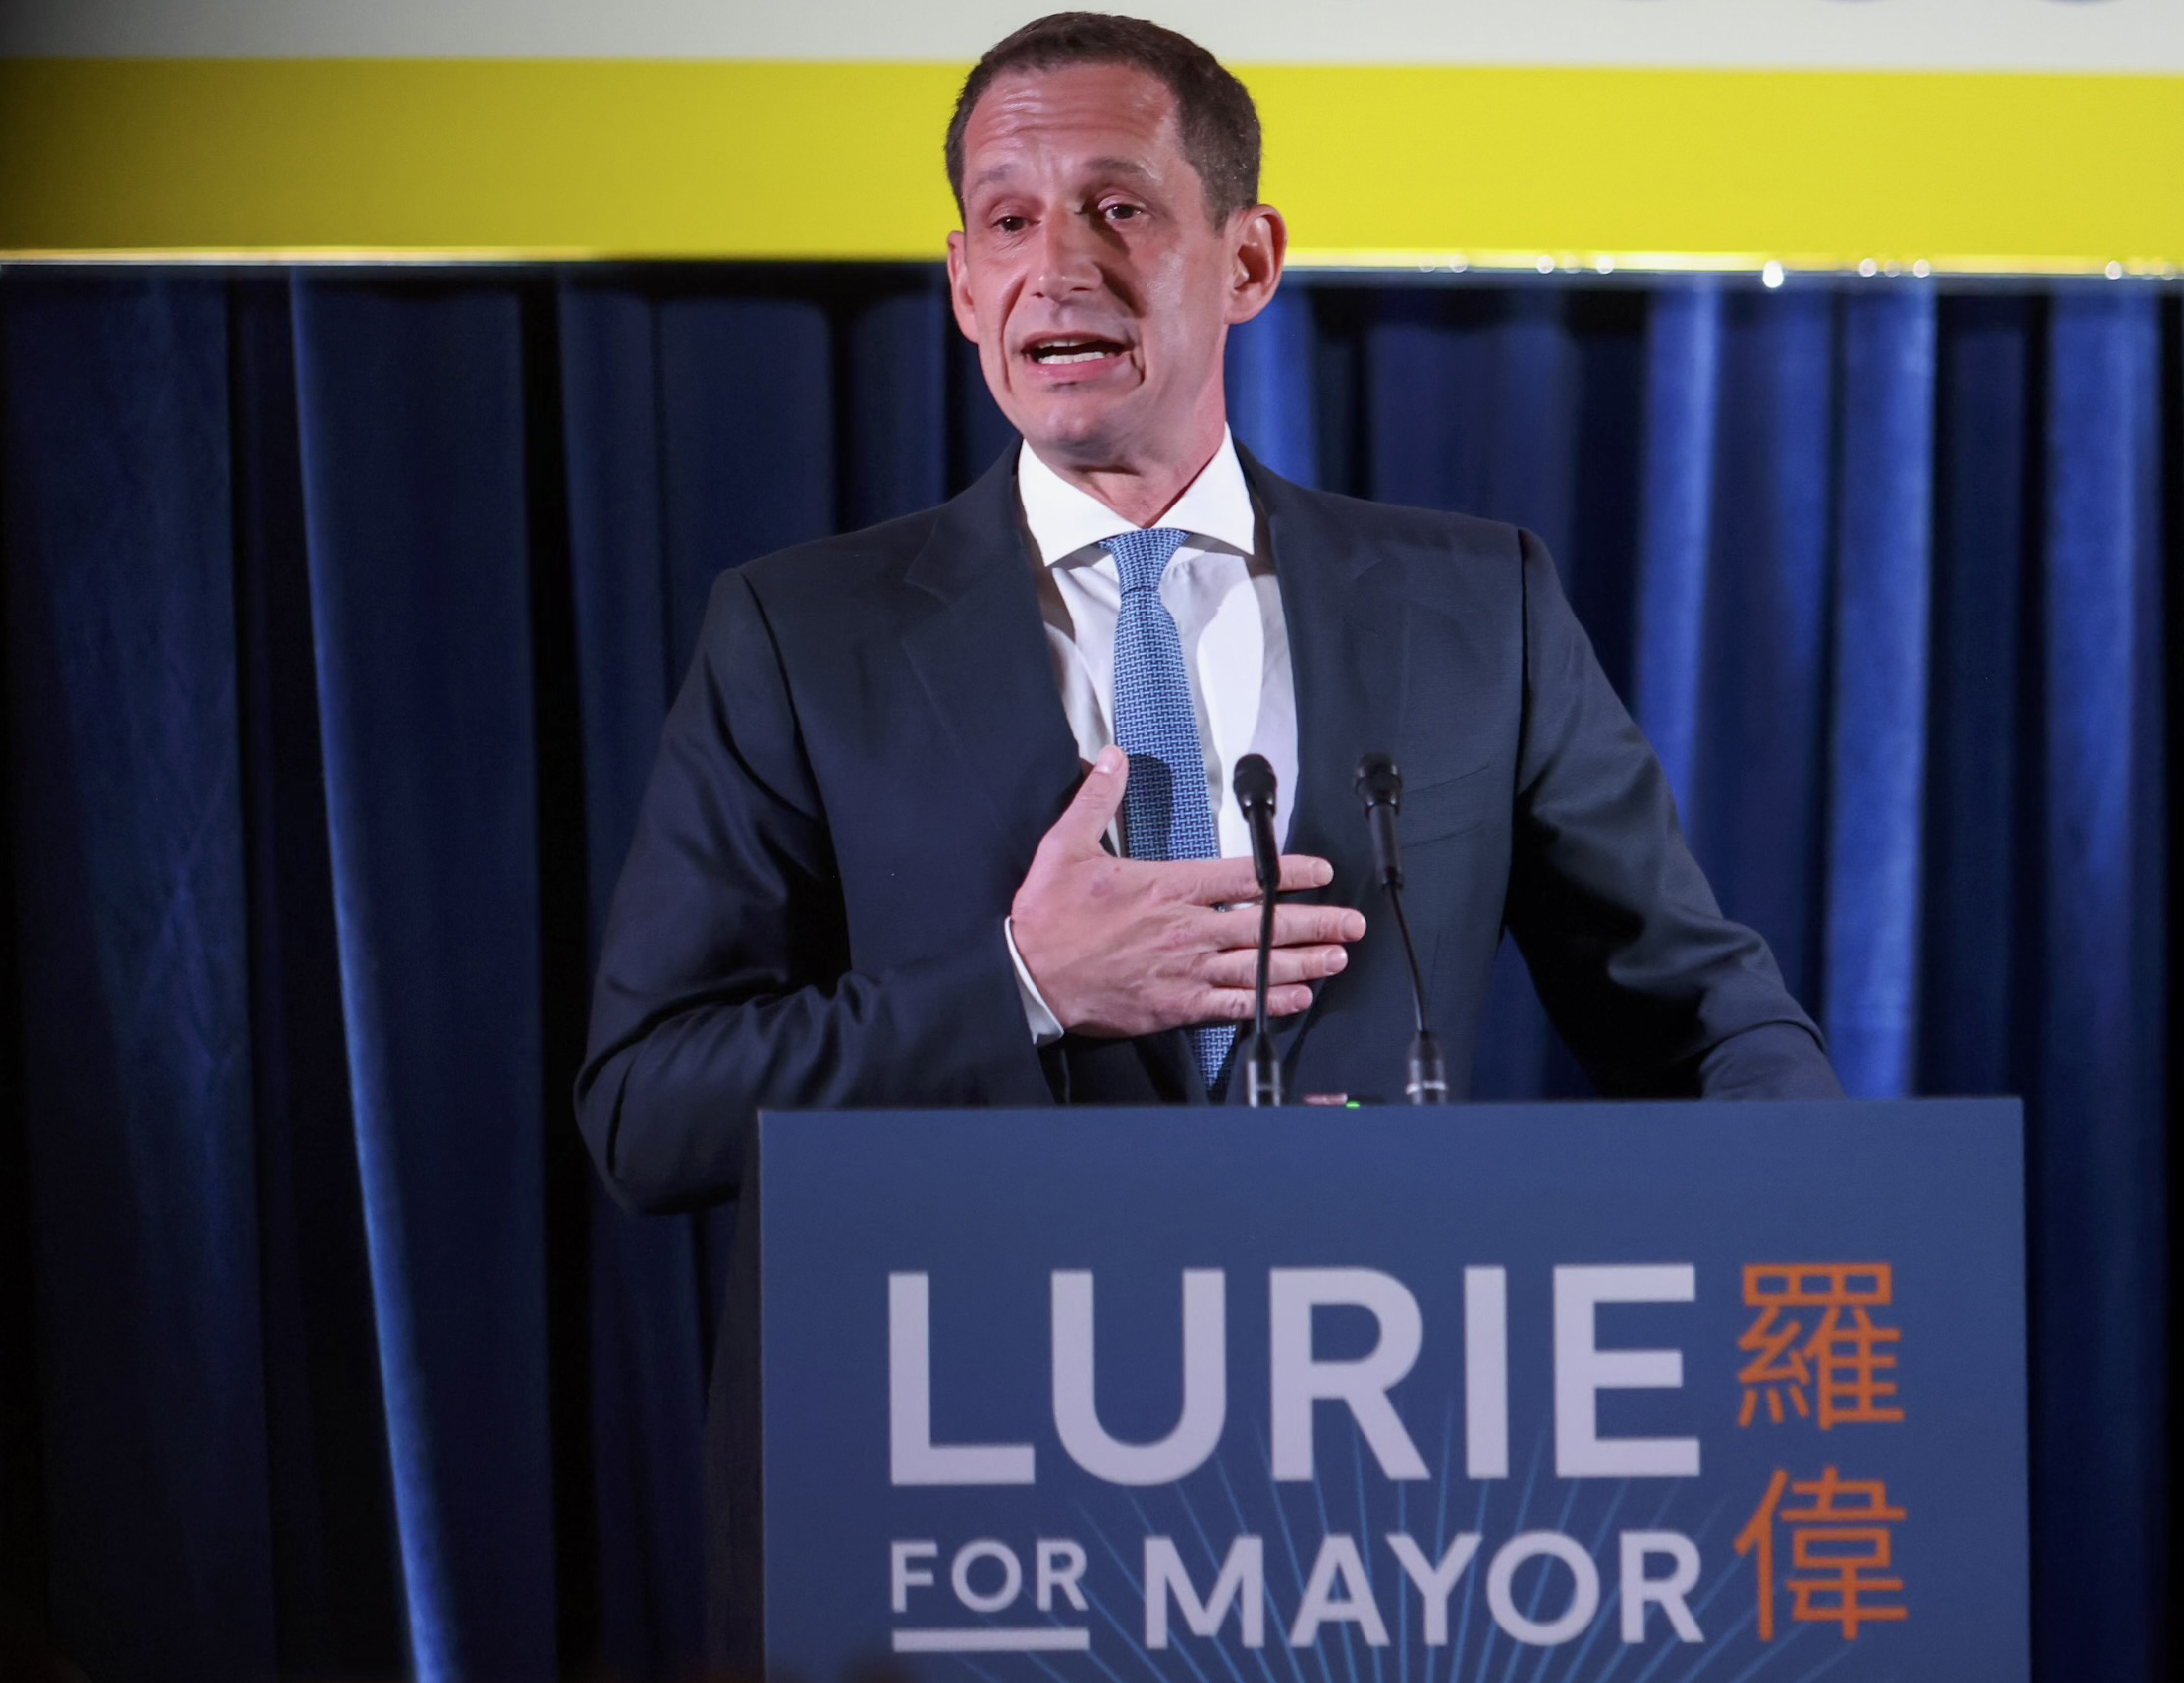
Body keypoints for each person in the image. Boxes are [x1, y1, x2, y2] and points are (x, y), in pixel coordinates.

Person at [574, 11, 1842, 1659]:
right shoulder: (798, 637)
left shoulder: (1476, 610)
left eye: (1120, 207)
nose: (1058, 268)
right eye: (1008, 221)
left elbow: (1710, 1021)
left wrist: (1803, 1206)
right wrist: (1026, 982)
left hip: (1378, 1544)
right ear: (961, 284)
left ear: (1247, 258)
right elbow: (646, 1108)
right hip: (957, 1545)